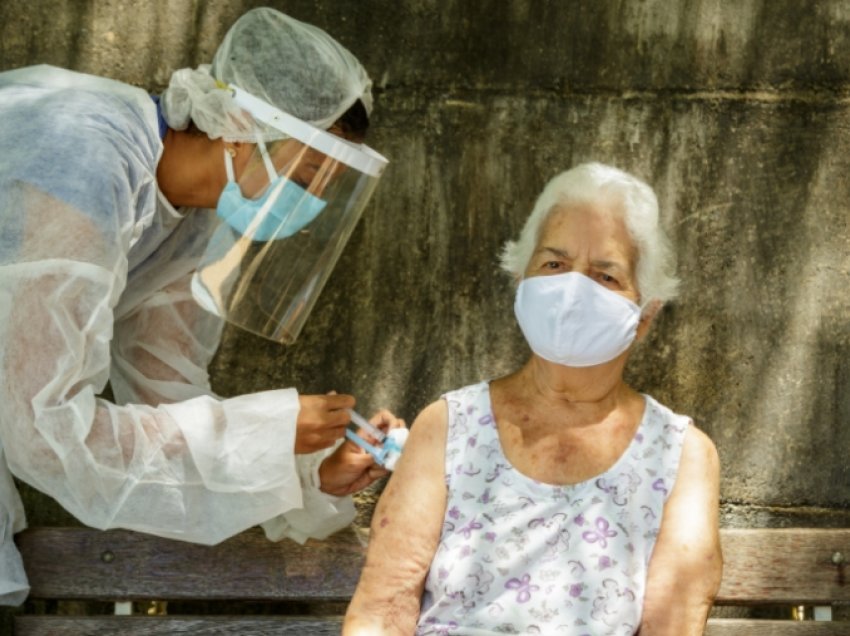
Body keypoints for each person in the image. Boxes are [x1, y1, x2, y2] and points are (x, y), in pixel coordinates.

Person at [0, 7, 402, 607]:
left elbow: (169, 400)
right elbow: (40, 427)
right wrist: (265, 432)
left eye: (328, 186)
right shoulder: (85, 160)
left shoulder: (195, 220)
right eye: (309, 170)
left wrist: (304, 473)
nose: (312, 199)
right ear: (241, 125)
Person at [344, 163, 722, 635]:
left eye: (605, 276)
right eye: (554, 265)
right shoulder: (447, 426)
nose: (572, 289)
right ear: (521, 281)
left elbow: (673, 626)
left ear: (645, 315)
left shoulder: (681, 455)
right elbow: (381, 611)